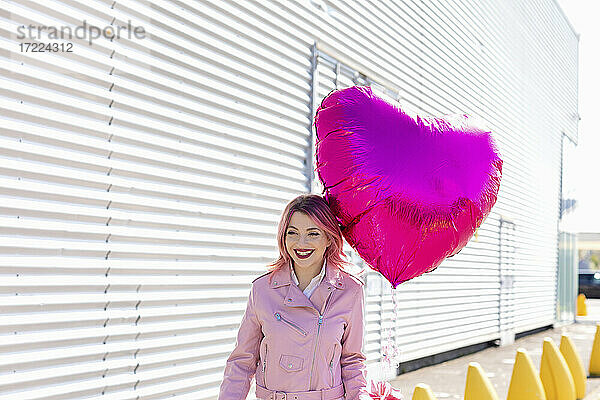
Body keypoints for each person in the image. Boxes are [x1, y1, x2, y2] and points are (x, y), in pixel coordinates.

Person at [218, 194, 370, 400]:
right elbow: (242, 362)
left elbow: (352, 361)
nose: (301, 243)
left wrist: (361, 396)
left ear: (328, 238)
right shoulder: (263, 289)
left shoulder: (350, 290)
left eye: (313, 233)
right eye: (293, 233)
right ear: (283, 237)